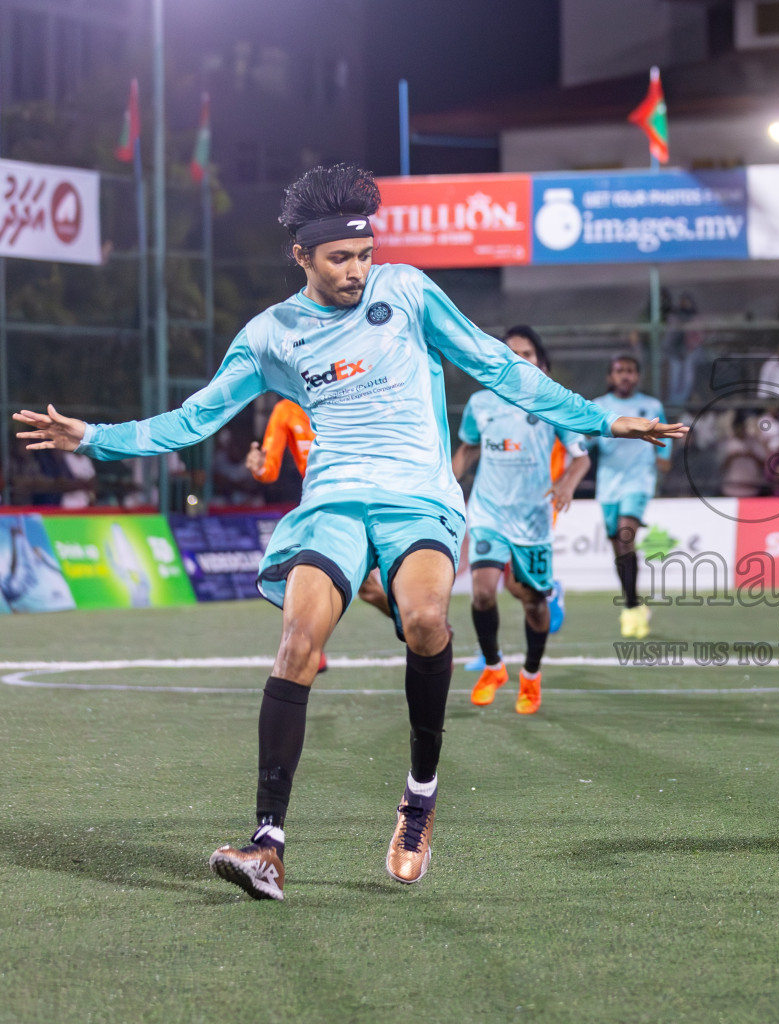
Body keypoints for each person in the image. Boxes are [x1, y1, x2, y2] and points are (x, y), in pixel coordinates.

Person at [14, 164, 686, 901]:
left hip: (419, 499)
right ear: (301, 256)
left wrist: (596, 418)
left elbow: (496, 365)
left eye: (364, 255)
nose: (357, 272)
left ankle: (418, 800)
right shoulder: (271, 334)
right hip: (333, 501)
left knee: (428, 622)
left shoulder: (406, 291)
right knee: (299, 642)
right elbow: (195, 418)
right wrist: (93, 438)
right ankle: (267, 844)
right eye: (339, 259)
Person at [452, 326, 590, 714]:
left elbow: (581, 457)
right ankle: (494, 666)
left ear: (540, 363)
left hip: (532, 519)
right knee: (482, 592)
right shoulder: (481, 403)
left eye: (526, 354)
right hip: (487, 512)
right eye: (510, 353)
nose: (517, 360)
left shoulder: (552, 403)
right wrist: (443, 485)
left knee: (532, 602)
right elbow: (468, 448)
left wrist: (566, 483)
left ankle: (530, 674)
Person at [246, 397, 392, 635]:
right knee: (309, 575)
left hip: (362, 498)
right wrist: (259, 466)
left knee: (370, 588)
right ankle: (304, 645)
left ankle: (419, 634)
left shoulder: (345, 396)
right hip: (321, 507)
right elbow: (269, 471)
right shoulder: (286, 410)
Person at [588, 355, 672, 640]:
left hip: (639, 481)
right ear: (611, 376)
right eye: (620, 371)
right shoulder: (600, 405)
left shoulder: (651, 406)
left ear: (638, 376)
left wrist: (663, 458)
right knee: (618, 546)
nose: (625, 376)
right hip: (608, 484)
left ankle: (631, 608)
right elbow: (586, 435)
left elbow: (663, 437)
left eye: (630, 371)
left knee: (625, 536)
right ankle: (633, 602)